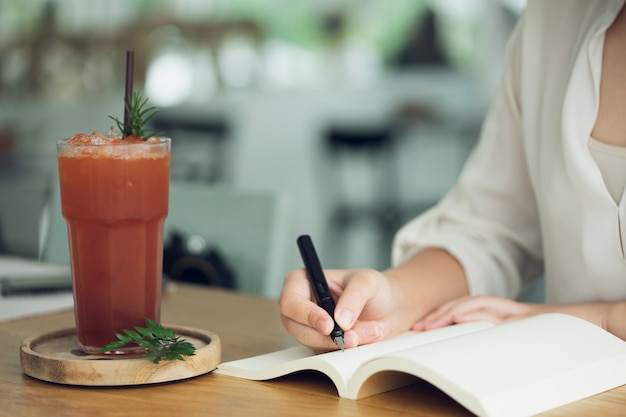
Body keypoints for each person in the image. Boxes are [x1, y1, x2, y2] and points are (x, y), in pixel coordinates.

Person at [279, 0, 626, 351]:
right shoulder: (552, 18)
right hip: (567, 390)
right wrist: (396, 296)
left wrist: (593, 319)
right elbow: (491, 228)